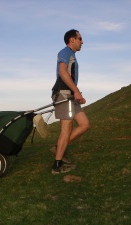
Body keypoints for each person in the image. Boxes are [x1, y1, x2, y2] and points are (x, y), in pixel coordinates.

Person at [51, 29, 90, 175]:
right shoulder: (65, 52)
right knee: (66, 129)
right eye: (80, 38)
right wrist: (76, 91)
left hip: (70, 95)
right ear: (72, 39)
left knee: (85, 124)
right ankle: (57, 165)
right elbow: (62, 72)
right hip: (64, 94)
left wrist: (76, 93)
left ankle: (58, 147)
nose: (82, 41)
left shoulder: (71, 55)